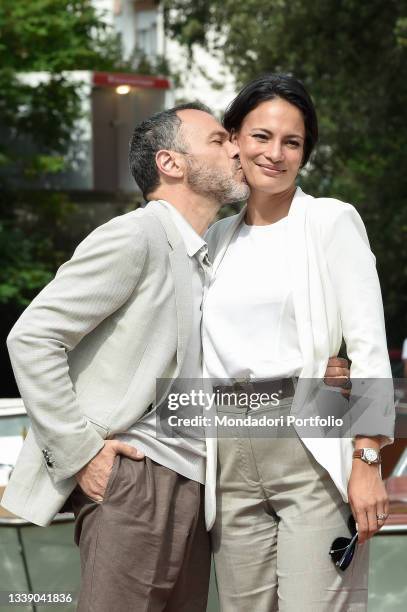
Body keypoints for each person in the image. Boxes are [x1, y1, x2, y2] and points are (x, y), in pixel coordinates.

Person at [1, 99, 349, 610]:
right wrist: (83, 455)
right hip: (138, 478)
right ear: (171, 163)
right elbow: (30, 338)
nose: (237, 149)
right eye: (218, 140)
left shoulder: (210, 254)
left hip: (202, 488)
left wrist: (320, 371)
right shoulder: (135, 235)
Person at [202, 74, 395, 611]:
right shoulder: (215, 238)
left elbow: (368, 344)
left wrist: (367, 456)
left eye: (292, 142)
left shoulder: (330, 221)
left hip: (309, 439)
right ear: (235, 137)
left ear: (305, 152)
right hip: (226, 449)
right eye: (261, 136)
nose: (275, 153)